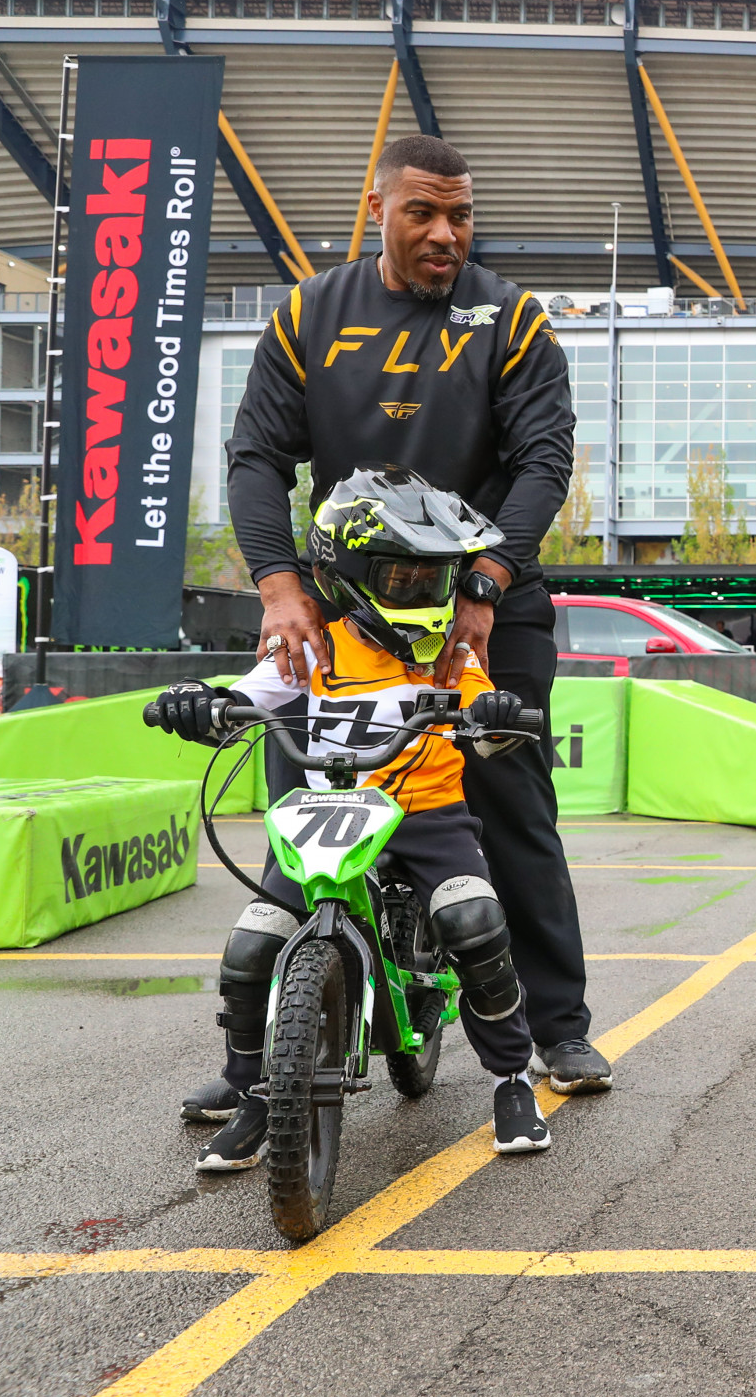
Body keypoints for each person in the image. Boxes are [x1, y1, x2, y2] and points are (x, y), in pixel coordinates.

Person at [190, 131, 610, 1123]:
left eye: (460, 214)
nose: (444, 233)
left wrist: (490, 579)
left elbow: (544, 459)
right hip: (343, 611)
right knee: (300, 797)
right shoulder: (308, 314)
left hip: (482, 602)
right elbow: (257, 456)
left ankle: (558, 1026)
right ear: (376, 206)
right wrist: (278, 582)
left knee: (507, 791)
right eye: (423, 212)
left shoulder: (510, 320)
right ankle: (263, 1061)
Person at [153, 470, 553, 1166]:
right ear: (347, 577)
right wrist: (204, 703)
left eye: (435, 580)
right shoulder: (318, 648)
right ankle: (251, 1092)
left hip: (428, 817)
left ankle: (513, 1077)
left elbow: (488, 731)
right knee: (251, 949)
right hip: (322, 817)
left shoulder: (450, 656)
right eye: (403, 579)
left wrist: (489, 715)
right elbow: (250, 694)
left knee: (474, 922)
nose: (425, 595)